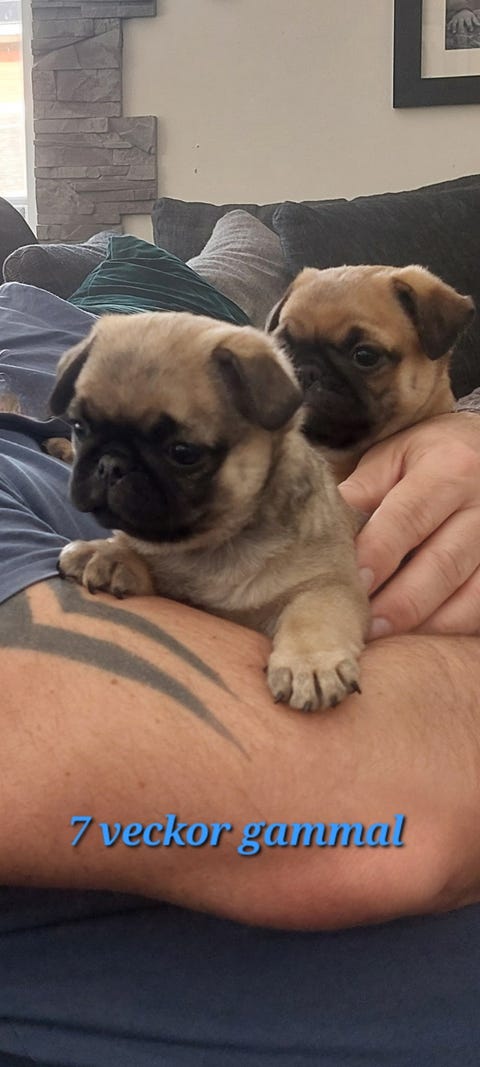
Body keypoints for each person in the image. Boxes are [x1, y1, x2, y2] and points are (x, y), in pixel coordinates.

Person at [1, 281, 480, 1065]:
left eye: (180, 454)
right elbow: (375, 830)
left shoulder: (45, 311)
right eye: (86, 433)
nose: (110, 471)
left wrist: (452, 434)